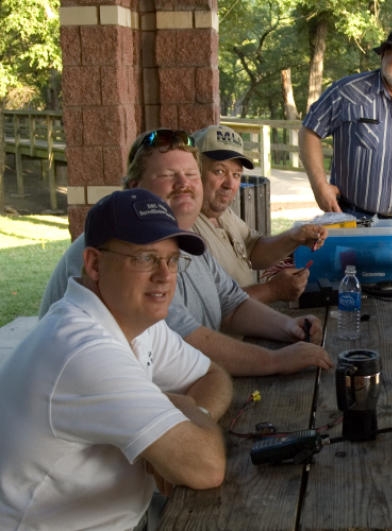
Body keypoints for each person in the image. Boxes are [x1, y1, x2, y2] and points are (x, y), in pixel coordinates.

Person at [0, 189, 233, 529]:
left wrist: (188, 418)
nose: (165, 275)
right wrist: (176, 416)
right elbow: (206, 466)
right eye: (145, 258)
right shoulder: (81, 351)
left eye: (172, 260)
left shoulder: (136, 319)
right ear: (94, 264)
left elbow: (213, 375)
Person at [39, 128, 333, 377]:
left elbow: (231, 303)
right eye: (169, 175)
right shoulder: (119, 250)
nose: (184, 184)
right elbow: (182, 337)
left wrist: (289, 327)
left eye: (191, 175)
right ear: (134, 187)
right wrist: (274, 361)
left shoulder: (183, 237)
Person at [299, 25, 392, 256]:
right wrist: (319, 186)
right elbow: (309, 131)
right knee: (352, 275)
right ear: (383, 54)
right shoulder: (347, 91)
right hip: (356, 218)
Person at [191, 124, 328, 304]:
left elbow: (253, 249)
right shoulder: (185, 228)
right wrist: (272, 290)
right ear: (194, 171)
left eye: (236, 174)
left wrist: (294, 237)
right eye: (219, 171)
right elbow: (204, 306)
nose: (230, 184)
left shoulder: (222, 214)